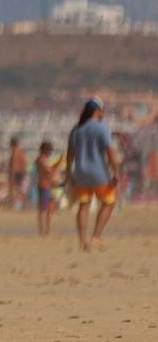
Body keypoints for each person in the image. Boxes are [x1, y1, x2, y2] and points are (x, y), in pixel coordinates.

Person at [67, 97, 119, 252]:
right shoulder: (102, 128)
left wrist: (68, 173)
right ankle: (95, 236)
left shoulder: (76, 129)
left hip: (80, 173)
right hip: (99, 173)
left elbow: (69, 154)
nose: (103, 113)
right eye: (102, 110)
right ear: (97, 110)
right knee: (109, 202)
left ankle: (82, 242)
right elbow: (110, 151)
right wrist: (116, 170)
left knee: (83, 206)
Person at [35, 141, 61, 237]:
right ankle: (42, 230)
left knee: (50, 209)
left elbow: (51, 169)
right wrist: (60, 163)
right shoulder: (41, 160)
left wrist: (58, 162)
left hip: (48, 185)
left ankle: (48, 229)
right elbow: (51, 171)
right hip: (44, 185)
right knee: (43, 209)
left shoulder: (43, 160)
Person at [7, 137, 28, 209]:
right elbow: (24, 163)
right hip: (22, 171)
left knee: (12, 189)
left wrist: (12, 175)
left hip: (16, 172)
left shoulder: (14, 152)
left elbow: (14, 165)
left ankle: (11, 204)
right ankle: (24, 205)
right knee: (21, 189)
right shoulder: (21, 152)